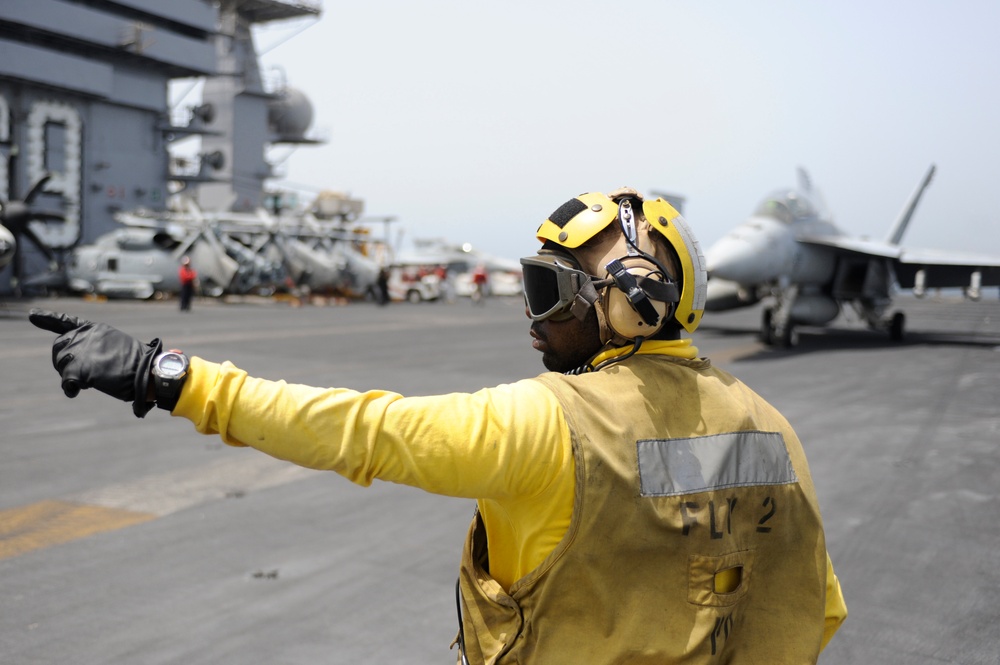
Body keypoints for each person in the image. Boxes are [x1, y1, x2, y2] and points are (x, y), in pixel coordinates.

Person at [30, 187, 846, 663]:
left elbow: (359, 430)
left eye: (546, 292)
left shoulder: (547, 422)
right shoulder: (773, 429)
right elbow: (814, 611)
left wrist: (161, 376)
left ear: (627, 304)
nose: (530, 320)